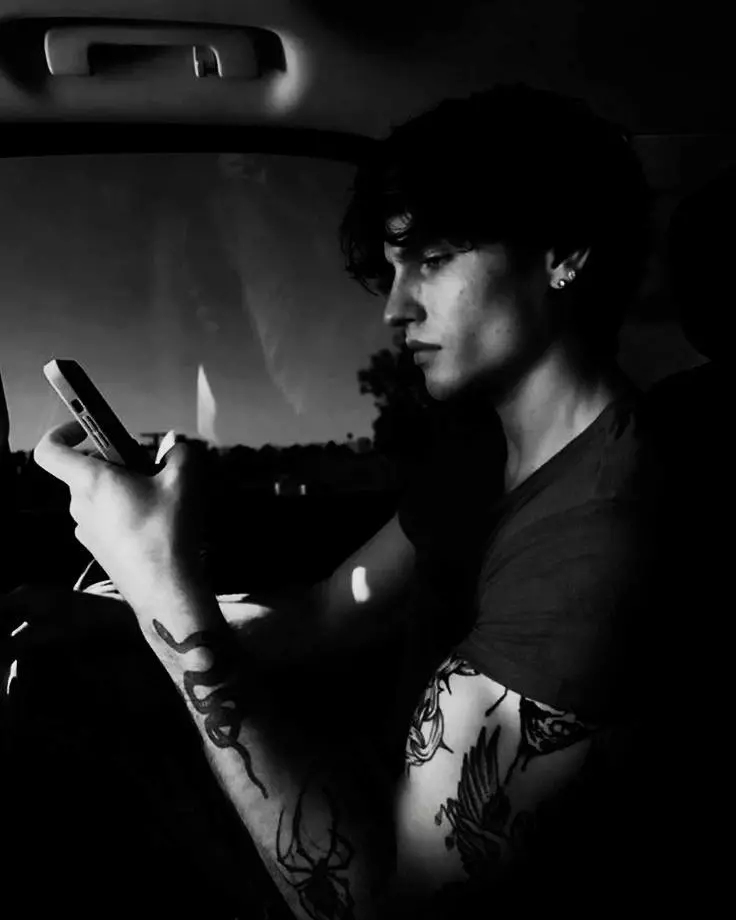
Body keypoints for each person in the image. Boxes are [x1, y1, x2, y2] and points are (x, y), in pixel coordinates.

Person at [14, 83, 673, 917]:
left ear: (563, 251)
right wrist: (111, 610)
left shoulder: (599, 541)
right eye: (392, 269)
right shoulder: (476, 456)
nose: (396, 308)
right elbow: (328, 614)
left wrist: (161, 588)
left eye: (432, 260)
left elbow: (376, 905)